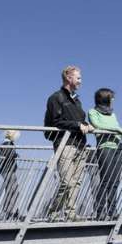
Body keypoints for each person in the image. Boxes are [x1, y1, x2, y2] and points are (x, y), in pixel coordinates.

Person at [44, 65, 93, 221]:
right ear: (68, 78)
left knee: (76, 182)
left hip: (80, 143)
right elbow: (56, 121)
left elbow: (77, 120)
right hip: (65, 143)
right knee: (66, 182)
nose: (81, 81)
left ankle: (70, 213)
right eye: (78, 78)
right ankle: (53, 211)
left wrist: (85, 124)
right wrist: (78, 126)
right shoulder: (56, 98)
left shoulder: (76, 100)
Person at [88, 88, 122, 220]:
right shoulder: (92, 112)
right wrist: (118, 130)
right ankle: (100, 212)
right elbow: (97, 126)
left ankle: (112, 211)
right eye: (112, 98)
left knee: (115, 181)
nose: (113, 101)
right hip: (105, 148)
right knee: (106, 180)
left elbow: (117, 134)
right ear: (105, 98)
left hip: (118, 148)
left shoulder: (113, 114)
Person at [0, 130, 21, 220]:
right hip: (8, 170)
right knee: (13, 189)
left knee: (11, 189)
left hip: (8, 169)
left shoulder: (6, 143)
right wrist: (15, 154)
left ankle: (10, 210)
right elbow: (8, 154)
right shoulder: (7, 144)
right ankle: (10, 210)